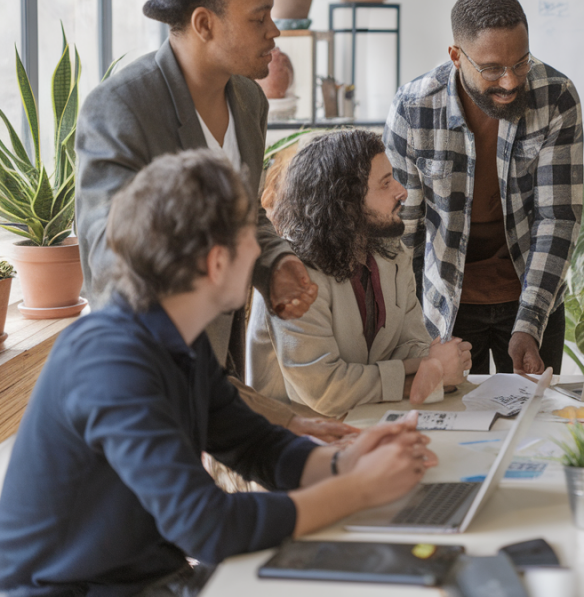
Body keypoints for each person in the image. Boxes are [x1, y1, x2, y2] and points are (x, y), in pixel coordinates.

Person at [0, 150, 436, 596]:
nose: (263, 250)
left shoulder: (175, 336)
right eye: (252, 235)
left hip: (141, 578)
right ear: (217, 263)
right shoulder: (110, 363)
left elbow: (253, 444)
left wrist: (346, 462)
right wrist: (359, 489)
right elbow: (204, 526)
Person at [76, 0, 343, 440]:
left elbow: (245, 213)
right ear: (204, 24)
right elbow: (111, 252)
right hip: (148, 367)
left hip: (223, 361)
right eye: (258, 18)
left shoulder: (249, 100)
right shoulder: (122, 108)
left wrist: (276, 264)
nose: (275, 31)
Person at [383, 0, 583, 375]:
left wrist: (528, 325)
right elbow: (401, 228)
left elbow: (557, 218)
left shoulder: (556, 97)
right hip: (446, 304)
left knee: (536, 424)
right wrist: (400, 324)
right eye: (492, 69)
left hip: (533, 299)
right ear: (456, 57)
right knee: (454, 426)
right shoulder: (413, 107)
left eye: (520, 63)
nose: (509, 82)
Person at [247, 130, 473, 415]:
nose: (402, 191)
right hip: (294, 440)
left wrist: (442, 361)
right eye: (385, 183)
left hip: (364, 419)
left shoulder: (390, 253)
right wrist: (421, 376)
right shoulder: (293, 273)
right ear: (345, 201)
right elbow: (325, 389)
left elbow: (409, 341)